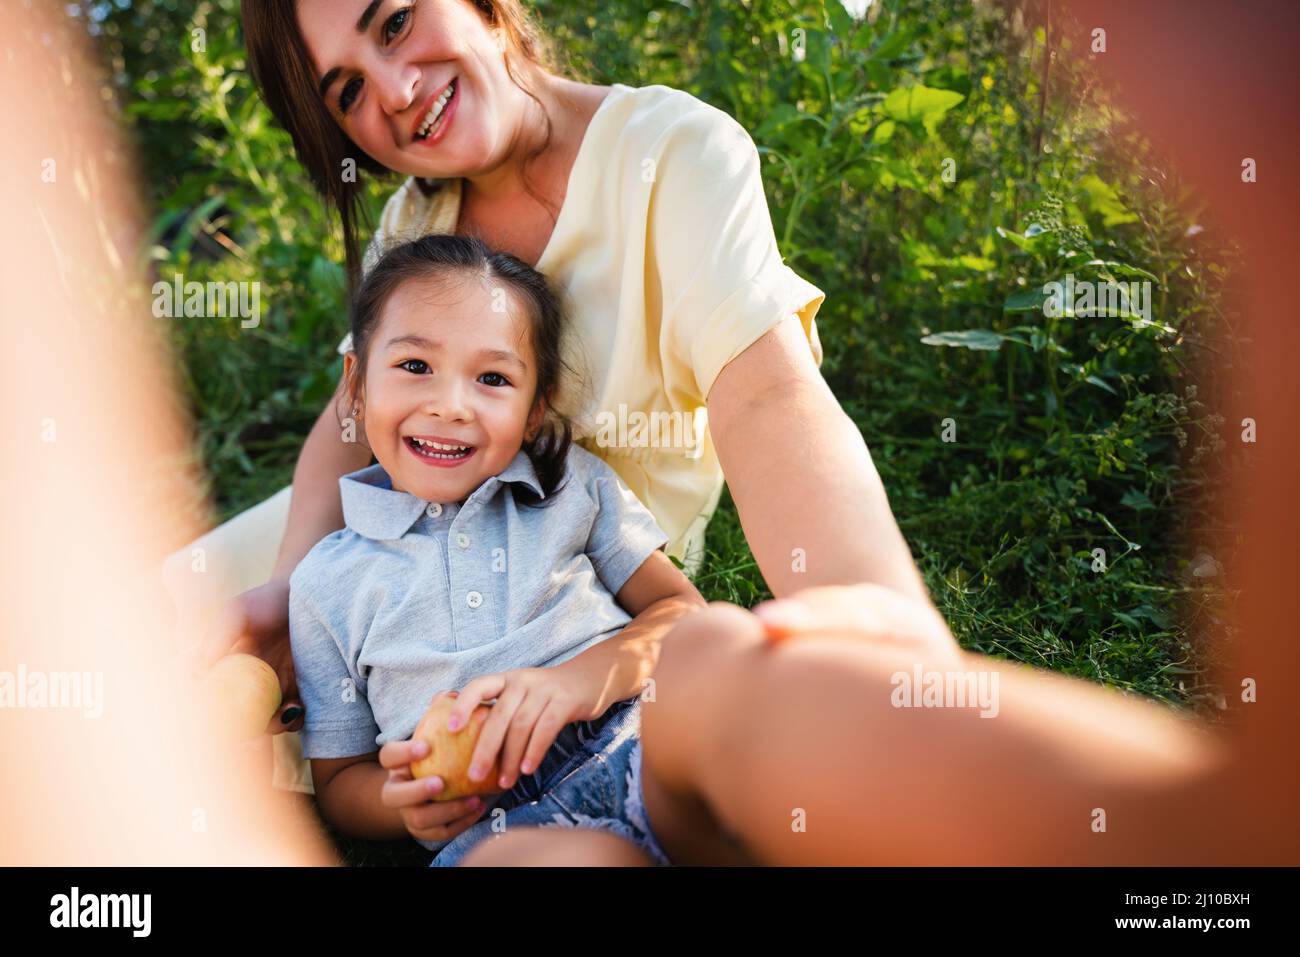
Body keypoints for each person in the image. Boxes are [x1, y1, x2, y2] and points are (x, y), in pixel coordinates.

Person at [190, 0, 942, 815]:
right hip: (393, 555)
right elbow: (350, 420)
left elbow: (768, 395)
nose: (397, 91)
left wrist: (869, 607)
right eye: (347, 93)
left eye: (397, 22)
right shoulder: (416, 224)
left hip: (573, 601)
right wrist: (286, 586)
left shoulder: (670, 153)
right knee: (163, 624)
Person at [290, 233, 704, 865]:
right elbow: (340, 781)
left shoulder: (571, 487)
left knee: (751, 713)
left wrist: (581, 680)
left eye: (492, 378)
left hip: (643, 741)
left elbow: (684, 614)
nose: (450, 406)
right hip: (499, 829)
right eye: (415, 366)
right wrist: (400, 799)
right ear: (357, 386)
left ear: (535, 412)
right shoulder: (324, 583)